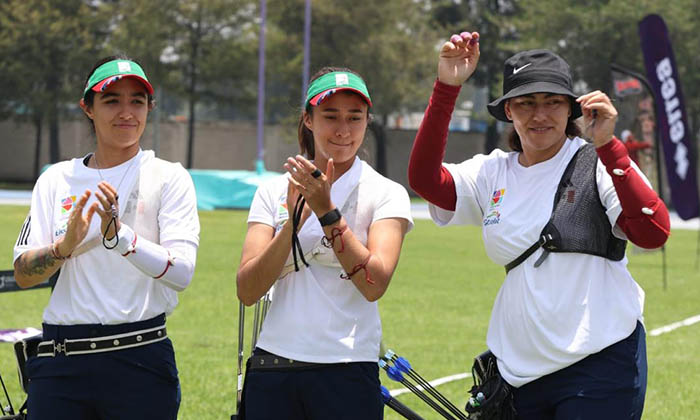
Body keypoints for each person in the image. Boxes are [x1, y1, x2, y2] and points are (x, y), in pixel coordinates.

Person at [408, 32, 671, 420]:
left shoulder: (596, 162)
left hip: (599, 361)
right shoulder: (492, 170)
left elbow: (654, 232)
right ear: (508, 111)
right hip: (519, 373)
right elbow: (426, 181)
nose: (540, 115)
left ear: (571, 109)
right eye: (526, 103)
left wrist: (610, 147)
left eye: (552, 102)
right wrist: (447, 87)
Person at [13, 55, 200, 419]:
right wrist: (63, 247)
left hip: (141, 358)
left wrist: (120, 237)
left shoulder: (168, 177)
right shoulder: (56, 179)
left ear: (150, 107)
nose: (126, 112)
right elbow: (22, 274)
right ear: (88, 108)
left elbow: (182, 274)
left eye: (137, 101)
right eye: (112, 100)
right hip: (60, 363)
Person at [236, 67, 413, 419]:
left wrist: (326, 211)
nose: (343, 130)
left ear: (367, 121)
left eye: (355, 117)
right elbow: (247, 289)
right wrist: (293, 223)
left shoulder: (387, 193)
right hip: (274, 364)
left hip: (347, 367)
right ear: (308, 119)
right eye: (330, 116)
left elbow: (374, 283)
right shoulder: (273, 191)